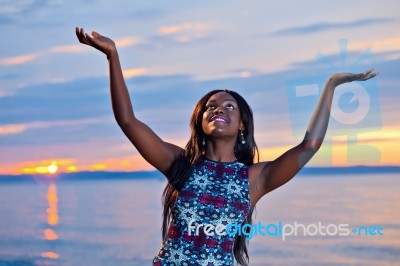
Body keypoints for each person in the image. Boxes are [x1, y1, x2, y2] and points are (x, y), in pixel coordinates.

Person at [75, 27, 379, 266]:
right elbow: (128, 121)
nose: (218, 109)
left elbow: (309, 146)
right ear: (200, 121)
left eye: (229, 106)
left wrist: (331, 85)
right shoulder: (179, 164)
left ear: (242, 123)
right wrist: (112, 57)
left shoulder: (254, 179)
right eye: (210, 106)